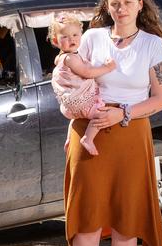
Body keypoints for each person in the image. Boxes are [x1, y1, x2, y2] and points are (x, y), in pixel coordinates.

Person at [57, 0, 162, 246]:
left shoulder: (154, 45)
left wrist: (122, 112)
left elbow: (161, 99)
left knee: (126, 222)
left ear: (140, 4)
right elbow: (75, 85)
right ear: (107, 7)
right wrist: (70, 129)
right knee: (87, 219)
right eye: (114, 3)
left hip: (130, 134)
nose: (120, 8)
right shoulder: (90, 38)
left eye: (126, 2)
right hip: (88, 135)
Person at [48, 13, 117, 155]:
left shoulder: (59, 58)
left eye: (75, 35)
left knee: (75, 119)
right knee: (100, 115)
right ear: (55, 41)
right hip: (81, 102)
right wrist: (107, 68)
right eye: (65, 37)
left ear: (81, 34)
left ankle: (69, 139)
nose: (71, 39)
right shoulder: (70, 58)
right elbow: (87, 72)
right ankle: (88, 138)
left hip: (69, 107)